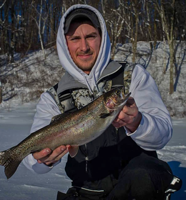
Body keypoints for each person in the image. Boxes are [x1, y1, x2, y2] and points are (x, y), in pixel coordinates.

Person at [23, 4, 182, 200]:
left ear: (102, 37)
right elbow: (32, 161)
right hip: (86, 193)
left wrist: (137, 121)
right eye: (75, 39)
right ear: (65, 44)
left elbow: (163, 135)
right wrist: (42, 159)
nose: (84, 47)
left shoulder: (132, 76)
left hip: (137, 190)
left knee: (142, 174)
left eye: (90, 36)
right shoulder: (53, 97)